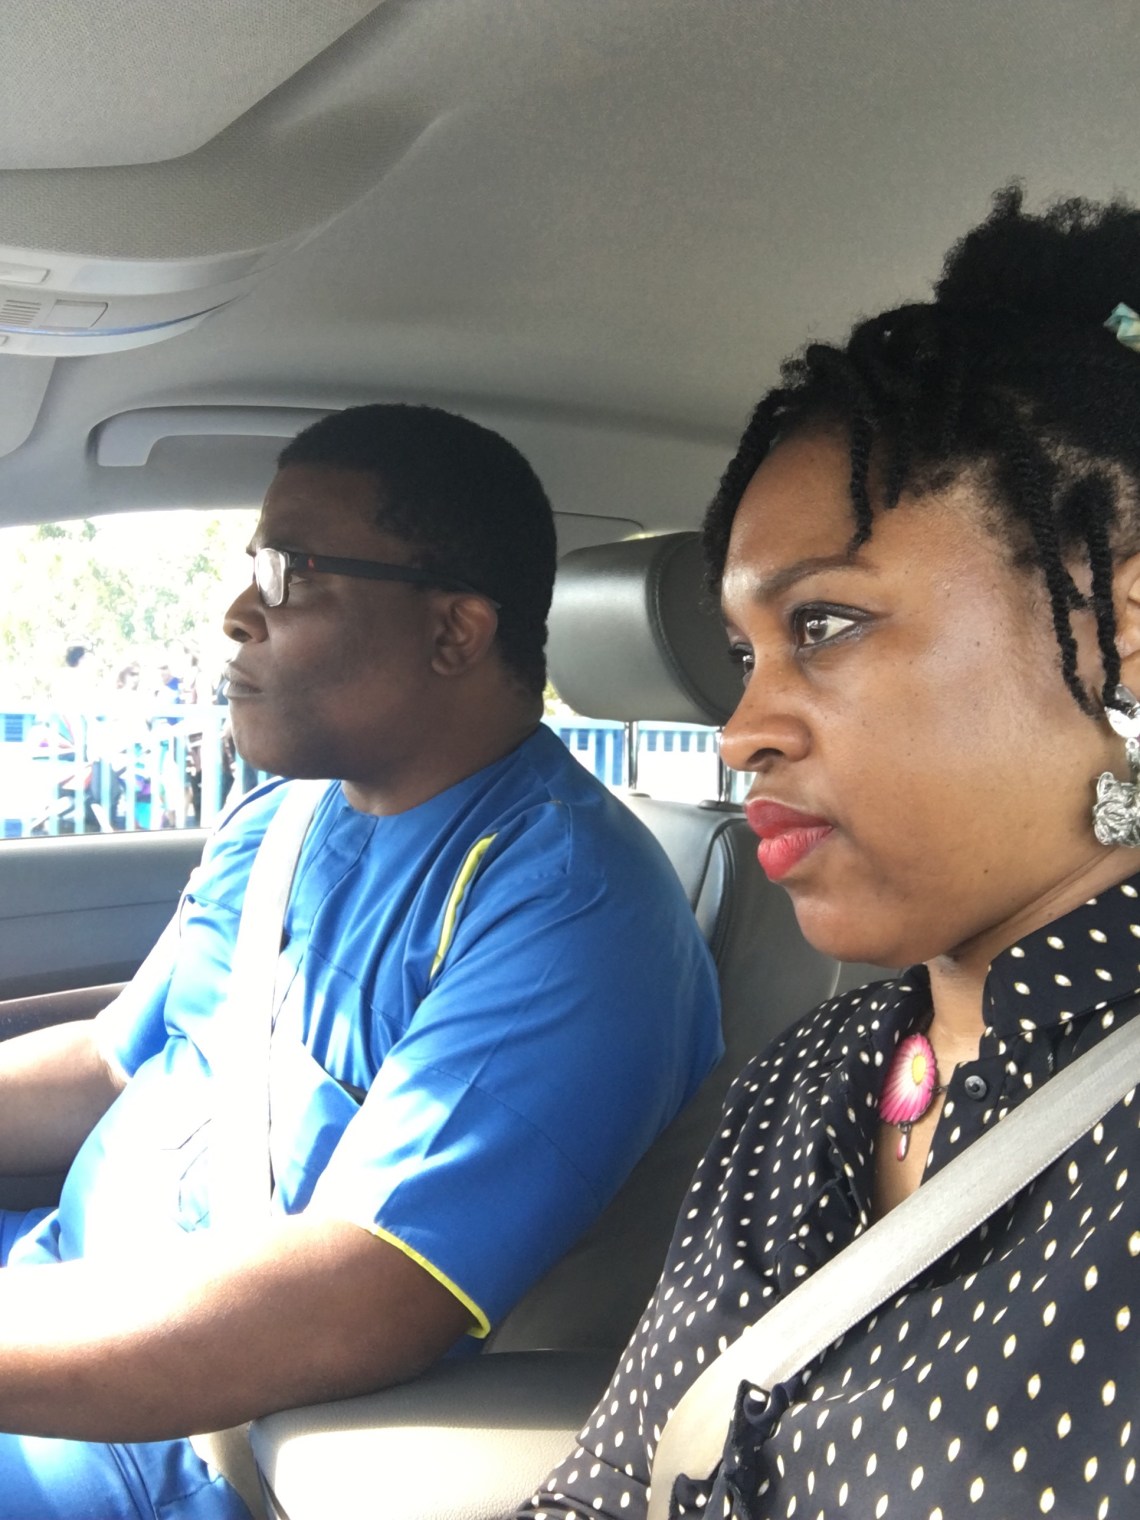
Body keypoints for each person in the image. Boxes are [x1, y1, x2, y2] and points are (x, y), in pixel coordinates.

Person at [522, 186, 1140, 1520]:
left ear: (1121, 626)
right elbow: (613, 1488)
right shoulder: (803, 1083)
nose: (741, 729)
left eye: (826, 624)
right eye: (743, 653)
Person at [0, 404, 722, 1519]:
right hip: (53, 1291)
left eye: (289, 573)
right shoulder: (279, 818)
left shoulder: (570, 901)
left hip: (175, 1442)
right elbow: (111, 1062)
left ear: (455, 632)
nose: (238, 612)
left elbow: (360, 1291)